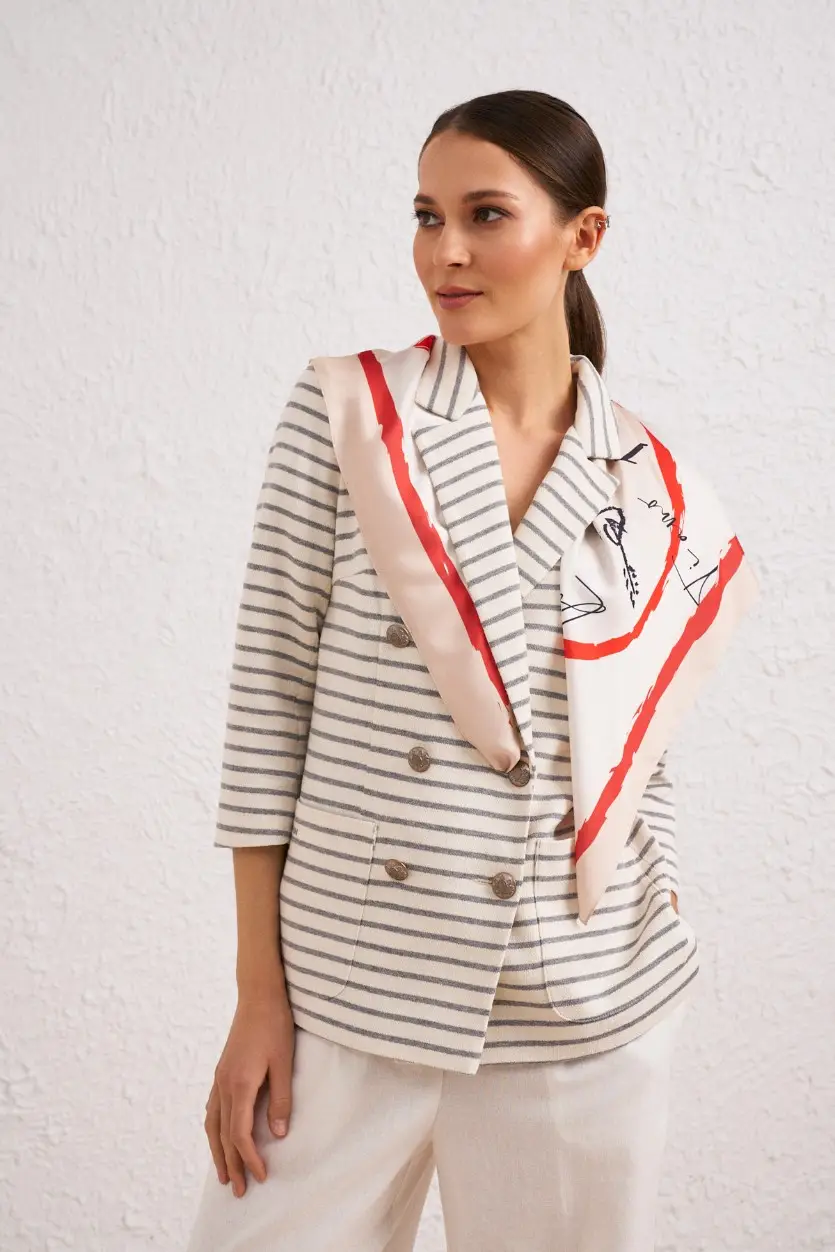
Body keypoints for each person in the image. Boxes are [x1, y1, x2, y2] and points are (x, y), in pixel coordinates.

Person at [184, 90, 758, 1252]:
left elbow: (636, 749)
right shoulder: (347, 416)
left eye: (485, 214)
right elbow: (266, 712)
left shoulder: (647, 483)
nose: (444, 251)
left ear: (581, 236)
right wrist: (258, 998)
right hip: (352, 992)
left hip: (577, 1010)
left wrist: (655, 906)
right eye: (426, 215)